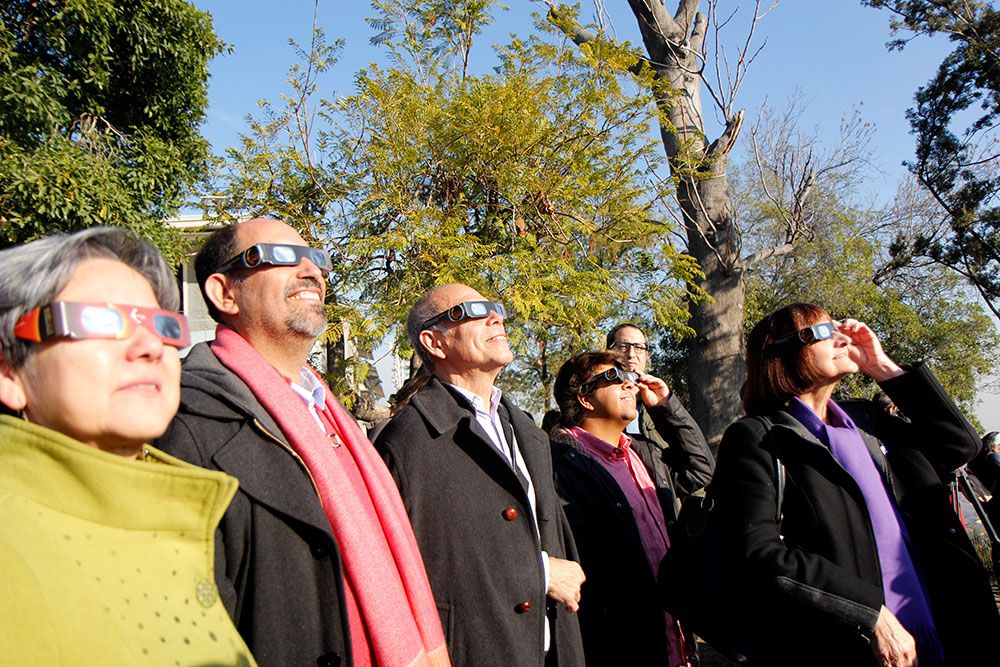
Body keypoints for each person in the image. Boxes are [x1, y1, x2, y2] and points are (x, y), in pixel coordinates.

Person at [156, 218, 447, 667]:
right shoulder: (187, 422)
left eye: (316, 259)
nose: (310, 269)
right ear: (223, 293)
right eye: (280, 256)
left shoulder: (328, 414)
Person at [0, 227, 254, 665]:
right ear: (9, 373)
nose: (149, 346)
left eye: (162, 325)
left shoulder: (180, 520)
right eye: (100, 319)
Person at [711, 303, 1000, 666]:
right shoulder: (757, 437)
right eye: (820, 331)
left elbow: (960, 446)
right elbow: (759, 551)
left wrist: (883, 368)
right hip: (857, 644)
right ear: (780, 353)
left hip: (947, 625)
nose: (840, 336)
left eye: (837, 326)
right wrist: (869, 613)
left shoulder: (870, 419)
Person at [375, 283, 585, 666]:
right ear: (434, 343)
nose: (495, 317)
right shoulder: (406, 442)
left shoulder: (526, 430)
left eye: (494, 307)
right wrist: (537, 573)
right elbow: (402, 573)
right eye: (467, 312)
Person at [549, 351, 694, 666]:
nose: (629, 385)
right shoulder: (559, 464)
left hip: (675, 638)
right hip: (621, 645)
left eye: (628, 378)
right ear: (585, 398)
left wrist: (667, 407)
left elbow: (700, 470)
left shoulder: (642, 453)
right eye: (614, 379)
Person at [605, 322, 714, 518]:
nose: (631, 354)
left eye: (639, 348)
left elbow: (700, 470)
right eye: (622, 346)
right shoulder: (595, 410)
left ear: (647, 355)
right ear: (608, 353)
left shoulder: (661, 408)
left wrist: (665, 405)